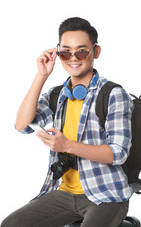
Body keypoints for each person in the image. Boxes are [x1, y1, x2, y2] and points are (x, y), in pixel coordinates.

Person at [1, 17, 134, 227]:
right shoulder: (58, 95)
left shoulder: (113, 94)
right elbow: (21, 125)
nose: (73, 58)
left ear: (96, 52)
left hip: (106, 193)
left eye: (82, 51)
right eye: (66, 52)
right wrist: (41, 75)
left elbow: (118, 153)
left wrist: (67, 146)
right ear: (57, 53)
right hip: (63, 194)